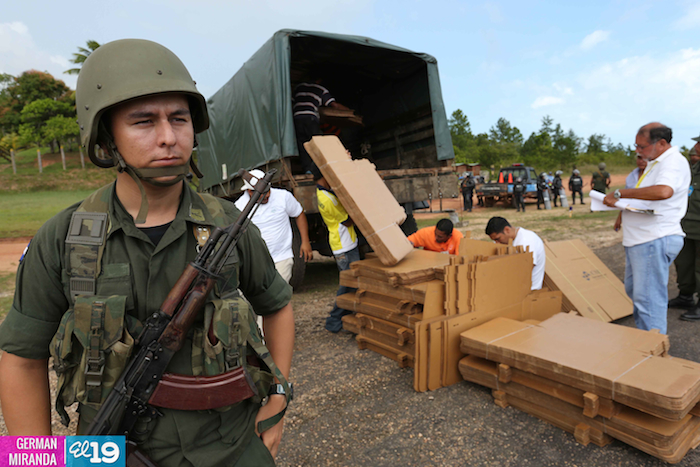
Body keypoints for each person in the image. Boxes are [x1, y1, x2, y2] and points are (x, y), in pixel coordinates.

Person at [0, 39, 294, 466]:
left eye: (179, 119)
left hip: (231, 446)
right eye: (143, 121)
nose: (168, 137)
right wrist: (37, 461)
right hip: (103, 451)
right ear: (106, 137)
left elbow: (277, 305)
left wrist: (279, 397)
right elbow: (21, 359)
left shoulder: (228, 225)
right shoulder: (63, 238)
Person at [603, 122, 690, 334]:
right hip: (641, 239)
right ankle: (645, 340)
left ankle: (653, 347)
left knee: (648, 300)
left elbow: (663, 191)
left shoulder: (672, 162)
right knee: (637, 292)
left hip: (654, 238)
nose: (637, 151)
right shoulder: (656, 162)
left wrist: (621, 194)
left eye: (641, 146)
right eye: (636, 145)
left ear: (661, 143)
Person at [235, 169, 313, 283]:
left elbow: (298, 214)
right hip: (256, 262)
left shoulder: (283, 196)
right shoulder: (239, 207)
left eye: (268, 190)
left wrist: (305, 241)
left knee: (280, 291)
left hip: (282, 257)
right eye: (262, 193)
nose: (267, 195)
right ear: (250, 191)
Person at [315, 171, 360, 333]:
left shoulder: (323, 193)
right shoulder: (328, 199)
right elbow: (347, 221)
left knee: (351, 283)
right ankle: (334, 320)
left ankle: (345, 318)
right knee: (348, 284)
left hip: (344, 242)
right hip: (344, 244)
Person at [293, 78, 350, 174]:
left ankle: (307, 170)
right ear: (319, 80)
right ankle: (318, 170)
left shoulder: (299, 87)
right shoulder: (321, 89)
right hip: (310, 118)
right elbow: (334, 105)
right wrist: (350, 112)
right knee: (316, 144)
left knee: (303, 145)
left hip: (297, 118)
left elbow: (291, 102)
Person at [671, 143, 700, 321]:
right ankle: (685, 296)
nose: (695, 147)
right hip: (686, 223)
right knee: (684, 262)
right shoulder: (693, 168)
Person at [485, 216, 545, 290]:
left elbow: (524, 272)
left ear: (507, 230)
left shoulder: (527, 241)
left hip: (528, 290)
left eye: (498, 239)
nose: (497, 243)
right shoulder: (507, 240)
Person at [614, 155, 649, 232]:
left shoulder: (656, 175)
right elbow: (626, 200)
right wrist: (619, 218)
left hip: (649, 219)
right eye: (639, 158)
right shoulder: (631, 176)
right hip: (632, 219)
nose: (641, 161)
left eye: (645, 158)